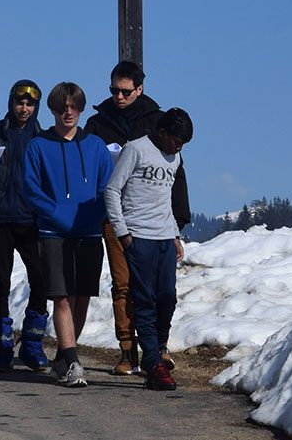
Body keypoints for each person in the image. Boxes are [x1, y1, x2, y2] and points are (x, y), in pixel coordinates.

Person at [84, 60, 190, 375]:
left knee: (160, 290)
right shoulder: (97, 123)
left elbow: (176, 174)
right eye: (114, 90)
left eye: (125, 91)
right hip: (113, 215)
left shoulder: (159, 122)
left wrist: (178, 223)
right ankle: (127, 350)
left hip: (155, 220)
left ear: (139, 89)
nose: (118, 96)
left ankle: (157, 348)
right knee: (124, 284)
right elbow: (89, 166)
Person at [23, 82, 113, 388]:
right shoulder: (38, 145)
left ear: (81, 109)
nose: (68, 112)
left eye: (73, 107)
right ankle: (73, 362)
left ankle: (63, 357)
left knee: (81, 296)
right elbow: (31, 189)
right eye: (62, 107)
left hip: (88, 233)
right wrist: (57, 214)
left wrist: (94, 216)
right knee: (60, 296)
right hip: (52, 231)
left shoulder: (97, 146)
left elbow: (106, 188)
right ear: (52, 110)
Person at [104, 108, 193, 391]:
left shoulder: (175, 156)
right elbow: (112, 190)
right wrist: (123, 233)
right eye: (176, 141)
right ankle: (152, 363)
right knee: (144, 298)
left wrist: (175, 235)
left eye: (183, 144)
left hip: (165, 237)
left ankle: (160, 345)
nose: (178, 148)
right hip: (138, 236)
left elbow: (165, 198)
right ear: (162, 133)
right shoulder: (136, 149)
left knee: (167, 297)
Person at [0, 80, 48, 372]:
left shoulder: (44, 139)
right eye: (20, 103)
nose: (24, 109)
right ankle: (2, 347)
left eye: (30, 104)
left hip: (32, 222)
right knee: (0, 285)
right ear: (11, 102)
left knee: (41, 281)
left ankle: (32, 344)